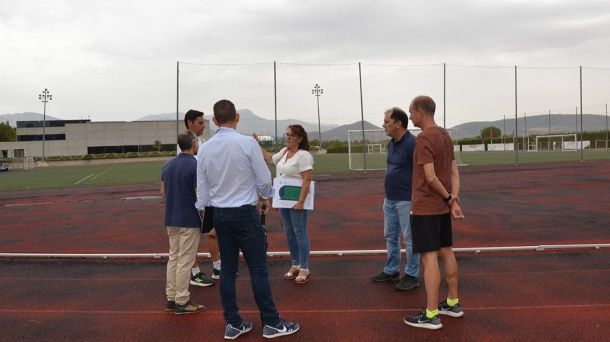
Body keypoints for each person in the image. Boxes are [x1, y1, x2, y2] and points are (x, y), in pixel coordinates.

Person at [196, 100, 300, 340]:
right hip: (244, 213)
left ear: (214, 121)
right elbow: (264, 178)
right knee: (258, 269)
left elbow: (202, 191)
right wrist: (264, 196)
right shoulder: (247, 143)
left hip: (220, 215)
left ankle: (233, 323)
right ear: (238, 117)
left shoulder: (205, 148)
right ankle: (271, 323)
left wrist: (206, 212)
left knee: (227, 271)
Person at [403, 96, 465, 330]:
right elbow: (454, 172)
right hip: (441, 207)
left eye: (411, 112)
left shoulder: (424, 138)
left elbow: (430, 177)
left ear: (421, 111)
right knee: (446, 251)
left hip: (426, 206)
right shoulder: (445, 135)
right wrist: (452, 200)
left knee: (428, 258)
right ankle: (452, 303)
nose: (410, 117)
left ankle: (430, 315)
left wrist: (449, 198)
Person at [256, 125, 314, 284]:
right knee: (289, 232)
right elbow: (269, 159)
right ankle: (295, 264)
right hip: (283, 201)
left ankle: (304, 267)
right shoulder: (283, 152)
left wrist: (301, 202)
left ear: (300, 138)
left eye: (291, 135)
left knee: (299, 232)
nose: (287, 137)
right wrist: (257, 144)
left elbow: (307, 179)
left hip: (296, 201)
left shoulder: (304, 156)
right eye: (286, 134)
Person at [371, 107, 420, 291]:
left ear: (398, 123)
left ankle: (412, 275)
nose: (383, 125)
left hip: (406, 200)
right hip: (390, 199)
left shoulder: (412, 144)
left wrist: (416, 197)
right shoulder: (392, 143)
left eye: (386, 122)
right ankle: (391, 270)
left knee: (410, 239)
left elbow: (420, 172)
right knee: (390, 236)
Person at [161, 131, 206, 315]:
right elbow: (201, 193)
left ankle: (171, 298)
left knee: (174, 258)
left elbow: (162, 193)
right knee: (185, 261)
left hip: (171, 219)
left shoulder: (167, 164)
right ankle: (182, 300)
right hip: (188, 219)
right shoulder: (195, 165)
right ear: (193, 143)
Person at [180, 109, 219, 287]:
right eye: (200, 123)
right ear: (190, 123)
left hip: (207, 196)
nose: (204, 126)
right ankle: (194, 273)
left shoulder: (202, 141)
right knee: (192, 237)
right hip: (192, 199)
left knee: (212, 231)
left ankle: (217, 267)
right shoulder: (184, 144)